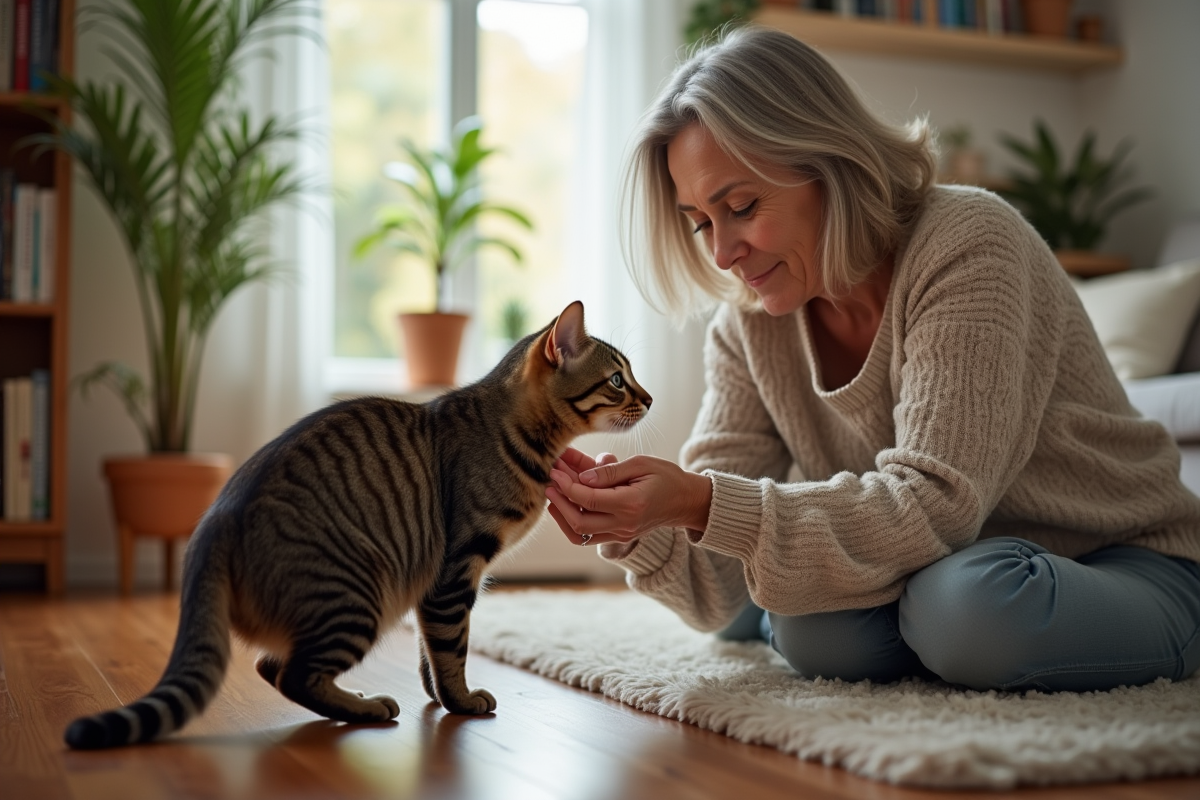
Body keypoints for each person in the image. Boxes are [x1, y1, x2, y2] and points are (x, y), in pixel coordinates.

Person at [543, 26, 1200, 692]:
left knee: (962, 611)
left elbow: (937, 505)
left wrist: (706, 499)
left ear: (829, 164)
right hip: (945, 563)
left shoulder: (969, 243)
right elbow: (716, 594)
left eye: (740, 206)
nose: (721, 253)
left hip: (1126, 560)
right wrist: (637, 522)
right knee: (808, 625)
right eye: (702, 222)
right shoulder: (748, 322)